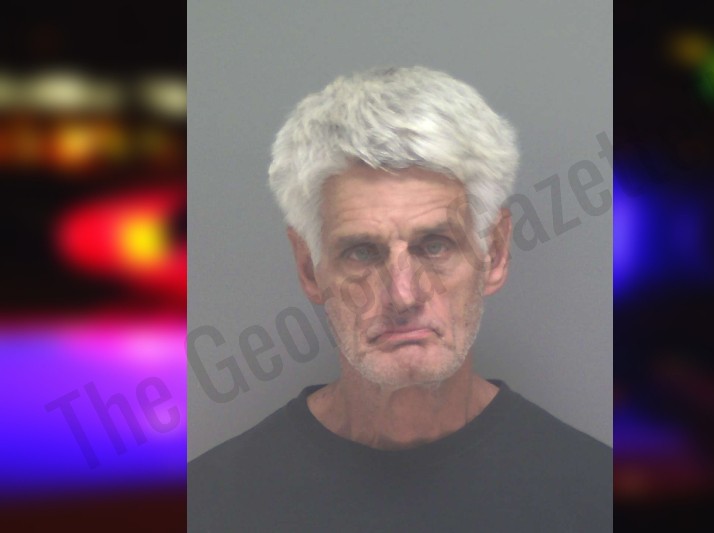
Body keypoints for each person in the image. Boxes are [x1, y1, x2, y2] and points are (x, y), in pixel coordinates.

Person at [188, 66, 611, 532]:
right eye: (362, 252)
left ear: (494, 253)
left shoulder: (596, 496)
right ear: (309, 269)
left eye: (435, 246)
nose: (403, 295)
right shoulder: (209, 505)